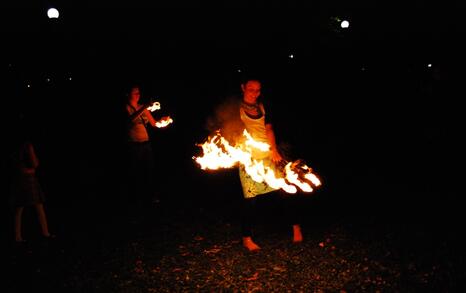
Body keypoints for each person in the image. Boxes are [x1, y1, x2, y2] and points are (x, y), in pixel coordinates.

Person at [236, 78, 303, 251]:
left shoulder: (264, 106)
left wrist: (274, 150)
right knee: (249, 199)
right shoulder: (235, 109)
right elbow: (232, 133)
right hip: (248, 159)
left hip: (269, 155)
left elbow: (269, 129)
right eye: (251, 89)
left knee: (286, 190)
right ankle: (247, 238)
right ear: (243, 88)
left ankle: (296, 228)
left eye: (258, 90)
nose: (255, 93)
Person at [123, 85, 171, 208]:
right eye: (135, 93)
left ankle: (150, 197)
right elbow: (130, 120)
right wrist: (144, 108)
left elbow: (154, 124)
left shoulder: (142, 108)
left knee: (149, 171)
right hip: (134, 145)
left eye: (138, 93)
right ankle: (135, 199)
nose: (138, 95)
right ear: (128, 94)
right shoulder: (126, 107)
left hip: (146, 144)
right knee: (135, 173)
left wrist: (164, 121)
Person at [9, 114, 54, 244]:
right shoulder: (27, 145)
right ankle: (45, 232)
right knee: (38, 206)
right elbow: (34, 163)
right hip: (28, 179)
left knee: (19, 208)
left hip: (18, 178)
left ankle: (17, 236)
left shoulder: (14, 146)